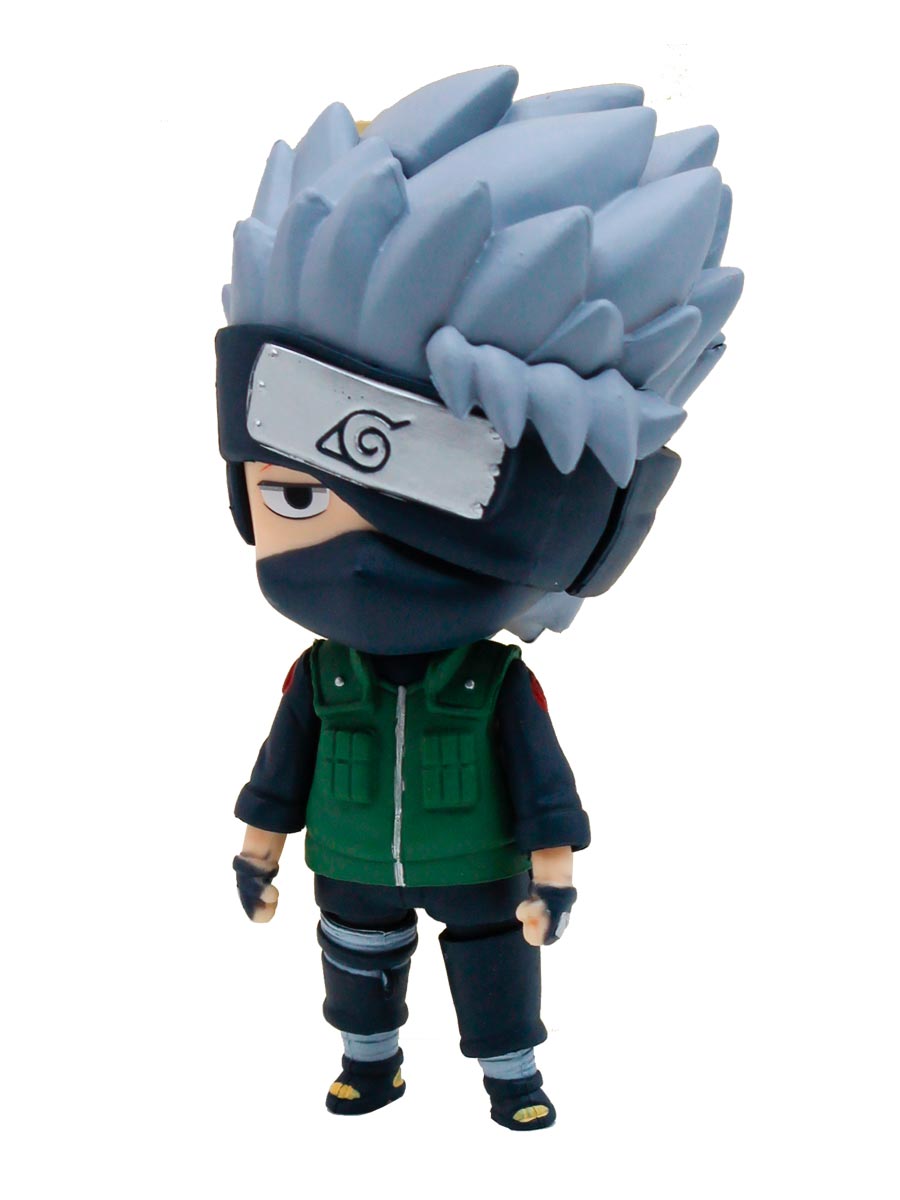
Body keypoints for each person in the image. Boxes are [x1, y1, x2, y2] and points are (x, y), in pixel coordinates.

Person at [215, 65, 742, 1129]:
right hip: (351, 863)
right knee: (355, 965)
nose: (361, 559)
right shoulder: (321, 677)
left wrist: (553, 871)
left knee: (495, 969)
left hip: (476, 867)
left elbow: (542, 781)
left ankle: (512, 1074)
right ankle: (370, 1063)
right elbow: (281, 768)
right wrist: (257, 847)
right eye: (296, 495)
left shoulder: (495, 684)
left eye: (434, 519)